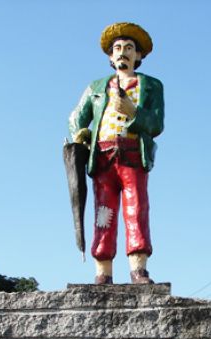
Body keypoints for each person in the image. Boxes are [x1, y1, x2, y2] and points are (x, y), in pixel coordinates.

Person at [69, 22, 164, 285]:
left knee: (136, 209)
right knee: (103, 212)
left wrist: (133, 111)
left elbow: (157, 123)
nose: (123, 52)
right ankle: (103, 271)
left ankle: (138, 269)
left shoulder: (152, 86)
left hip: (133, 155)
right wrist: (81, 134)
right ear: (111, 56)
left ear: (139, 56)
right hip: (103, 157)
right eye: (118, 48)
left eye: (129, 48)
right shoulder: (97, 87)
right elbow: (77, 117)